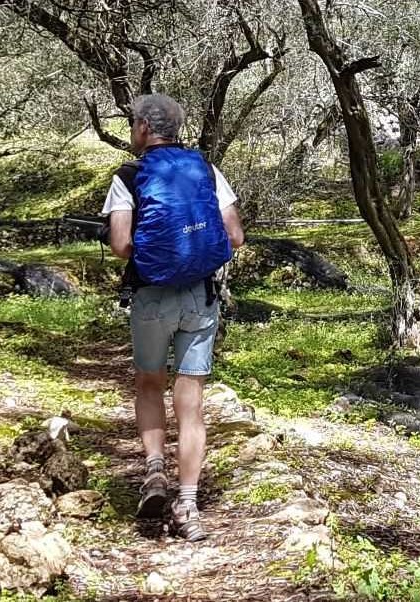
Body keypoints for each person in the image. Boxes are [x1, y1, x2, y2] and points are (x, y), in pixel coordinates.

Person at [101, 94, 244, 541]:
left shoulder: (129, 176)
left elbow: (122, 245)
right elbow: (235, 236)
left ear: (144, 127)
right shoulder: (206, 169)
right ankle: (187, 504)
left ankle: (155, 473)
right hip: (200, 298)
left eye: (132, 124)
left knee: (148, 382)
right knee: (192, 400)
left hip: (151, 298)